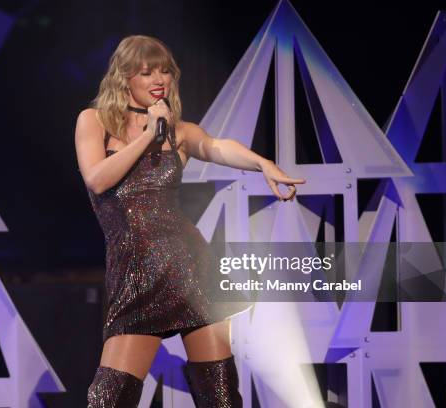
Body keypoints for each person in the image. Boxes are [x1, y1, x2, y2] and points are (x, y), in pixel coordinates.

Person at [75, 35, 305, 407]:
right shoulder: (95, 121)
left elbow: (216, 147)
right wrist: (149, 134)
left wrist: (263, 163)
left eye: (164, 70)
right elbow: (97, 178)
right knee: (109, 398)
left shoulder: (180, 131)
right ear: (124, 77)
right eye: (147, 71)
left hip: (190, 266)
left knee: (219, 395)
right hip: (135, 275)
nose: (158, 79)